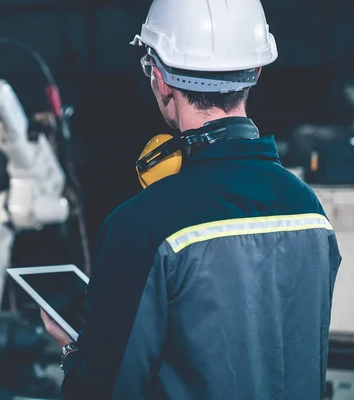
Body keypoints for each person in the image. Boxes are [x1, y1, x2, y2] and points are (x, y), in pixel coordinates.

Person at [41, 0, 342, 399]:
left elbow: (105, 390)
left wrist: (73, 350)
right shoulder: (311, 212)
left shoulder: (142, 225)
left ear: (161, 80)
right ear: (255, 70)